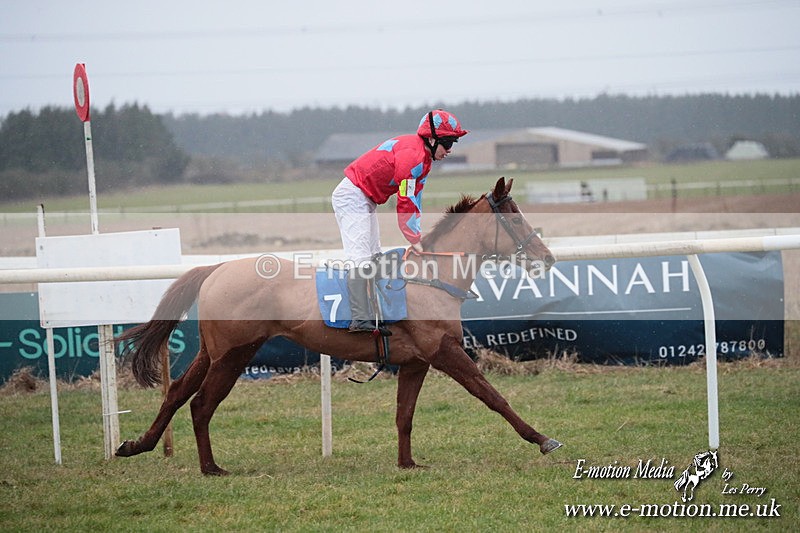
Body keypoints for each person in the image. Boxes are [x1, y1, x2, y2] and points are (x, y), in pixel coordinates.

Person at [332, 109, 469, 332]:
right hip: (353, 195)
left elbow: (415, 199)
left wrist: (417, 235)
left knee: (374, 255)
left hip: (365, 198)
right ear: (432, 139)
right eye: (448, 143)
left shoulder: (424, 159)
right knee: (360, 257)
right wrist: (414, 238)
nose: (450, 150)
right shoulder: (413, 157)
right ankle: (359, 318)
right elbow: (405, 201)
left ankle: (376, 309)